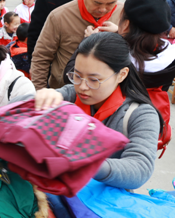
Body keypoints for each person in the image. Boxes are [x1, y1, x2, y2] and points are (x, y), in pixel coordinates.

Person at [30, 32, 161, 190]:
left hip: (100, 206)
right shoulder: (69, 96)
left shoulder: (140, 114)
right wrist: (40, 98)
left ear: (122, 75)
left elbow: (139, 168)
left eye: (94, 80)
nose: (83, 86)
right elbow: (14, 110)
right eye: (77, 76)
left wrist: (88, 163)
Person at [30, 0, 124, 90]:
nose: (103, 9)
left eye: (111, 3)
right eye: (97, 3)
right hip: (66, 94)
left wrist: (120, 33)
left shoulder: (124, 15)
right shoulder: (60, 16)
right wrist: (40, 94)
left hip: (108, 95)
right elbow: (41, 57)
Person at [118, 0, 174, 149]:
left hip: (115, 130)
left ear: (126, 23)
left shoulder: (113, 55)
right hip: (147, 133)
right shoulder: (169, 59)